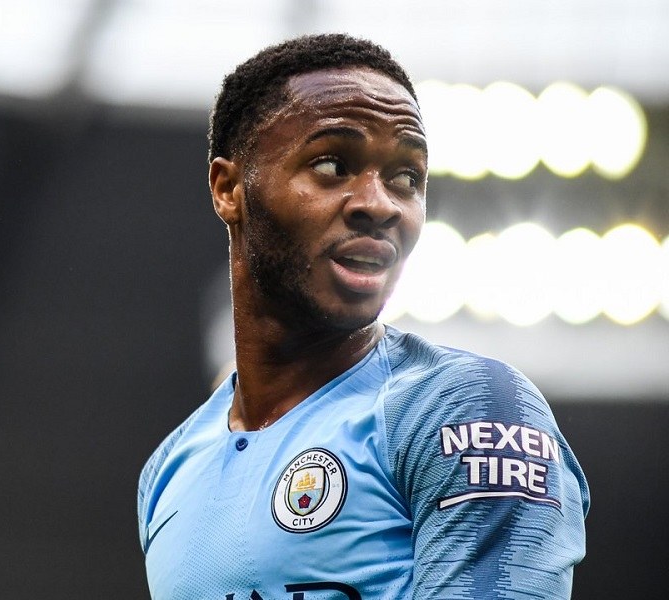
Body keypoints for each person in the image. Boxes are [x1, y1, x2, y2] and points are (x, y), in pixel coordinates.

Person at [137, 33, 589, 599]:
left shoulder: (465, 409)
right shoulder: (168, 471)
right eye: (332, 165)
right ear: (229, 189)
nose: (379, 204)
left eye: (406, 178)